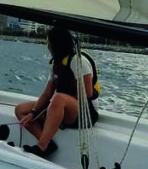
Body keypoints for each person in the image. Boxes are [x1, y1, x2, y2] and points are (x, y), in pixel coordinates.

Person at [15, 26, 99, 157]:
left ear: (56, 44)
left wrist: (57, 104)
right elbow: (48, 93)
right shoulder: (57, 64)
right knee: (20, 109)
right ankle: (48, 144)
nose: (47, 45)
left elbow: (87, 93)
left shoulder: (78, 62)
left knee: (58, 98)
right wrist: (33, 112)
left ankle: (41, 147)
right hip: (63, 107)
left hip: (84, 113)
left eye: (48, 42)